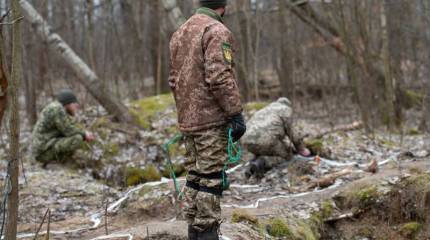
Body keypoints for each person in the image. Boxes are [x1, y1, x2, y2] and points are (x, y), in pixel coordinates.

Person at [168, 0, 245, 239]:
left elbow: (173, 81)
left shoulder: (179, 33)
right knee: (211, 180)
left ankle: (194, 232)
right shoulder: (216, 30)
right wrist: (235, 113)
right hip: (211, 121)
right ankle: (208, 234)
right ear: (223, 6)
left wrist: (186, 112)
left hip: (188, 122)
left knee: (195, 177)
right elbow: (219, 76)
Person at [242, 98, 311, 178]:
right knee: (287, 157)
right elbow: (293, 133)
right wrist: (301, 148)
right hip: (265, 139)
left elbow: (273, 130)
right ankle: (263, 162)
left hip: (245, 140)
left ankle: (251, 167)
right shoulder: (285, 110)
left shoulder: (266, 109)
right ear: (288, 105)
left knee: (264, 149)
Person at [31, 89, 95, 167]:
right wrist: (85, 135)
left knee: (75, 136)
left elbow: (69, 126)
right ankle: (55, 162)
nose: (76, 105)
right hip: (42, 153)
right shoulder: (57, 109)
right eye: (74, 103)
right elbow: (68, 130)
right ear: (67, 103)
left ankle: (58, 160)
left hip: (43, 148)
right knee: (77, 138)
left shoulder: (57, 107)